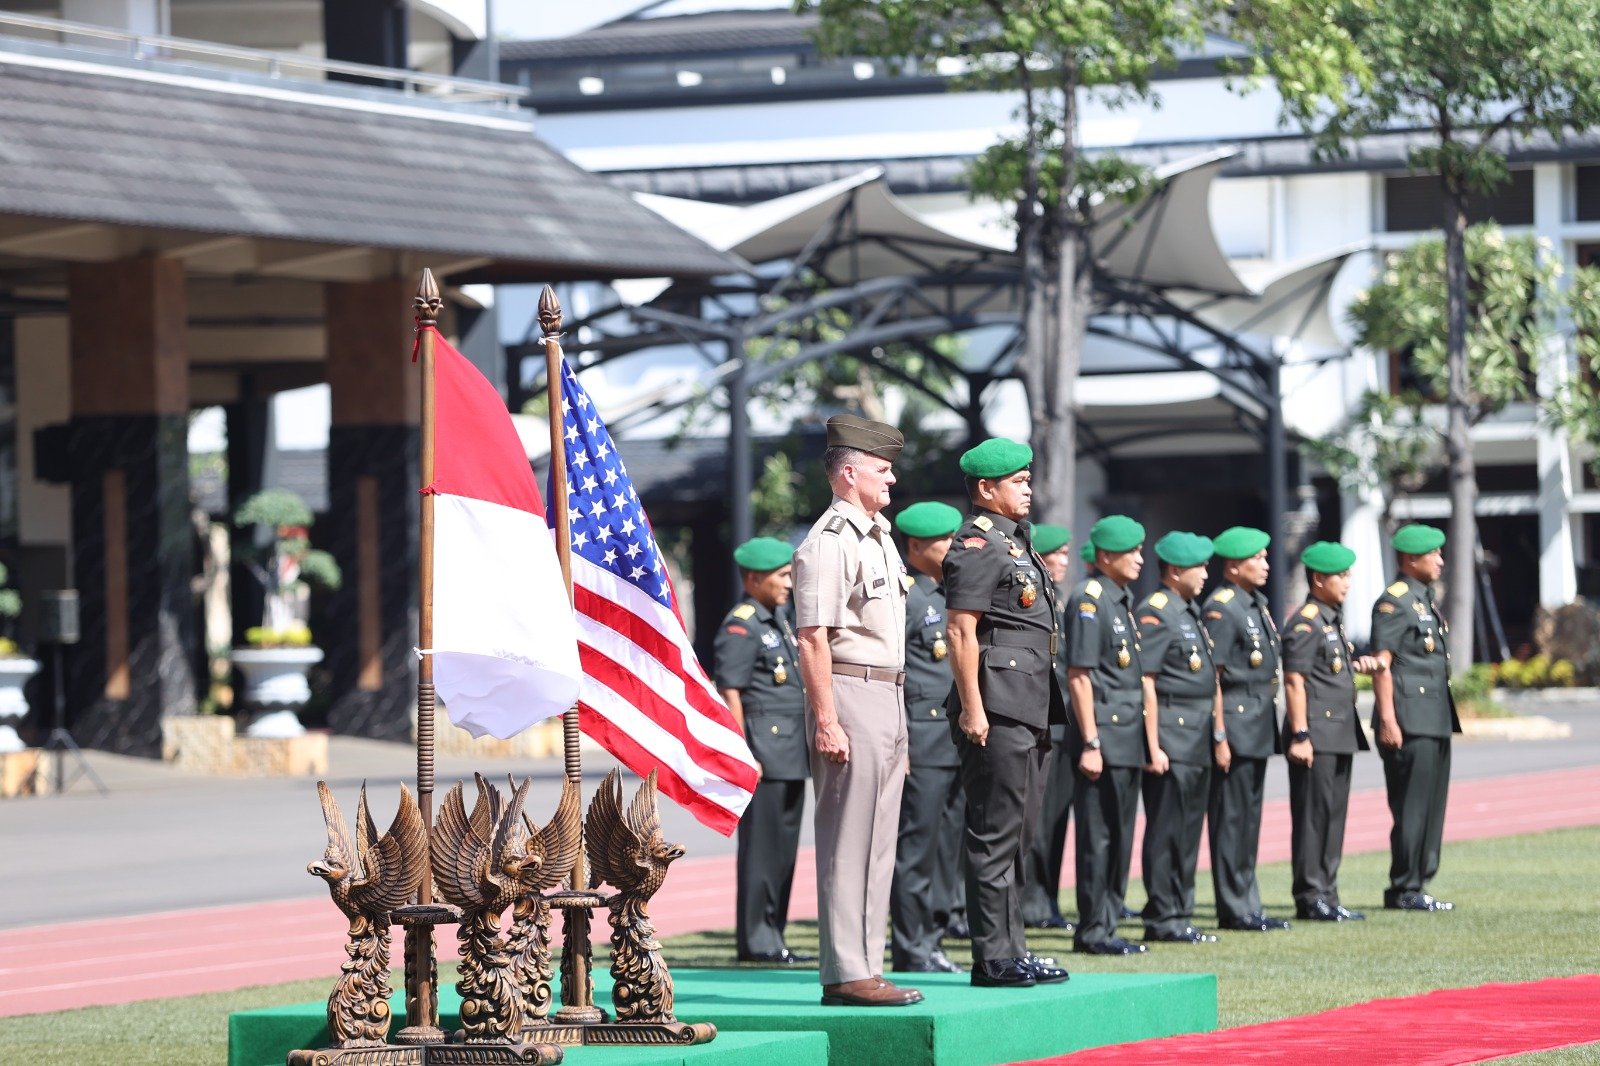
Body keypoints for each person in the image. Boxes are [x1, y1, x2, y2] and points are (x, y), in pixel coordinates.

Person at [792, 413, 922, 1008]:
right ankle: (846, 970)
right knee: (848, 838)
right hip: (849, 691)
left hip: (887, 693)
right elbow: (813, 637)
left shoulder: (878, 535)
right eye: (882, 469)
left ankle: (867, 964)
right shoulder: (829, 542)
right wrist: (826, 719)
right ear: (849, 474)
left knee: (879, 840)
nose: (891, 480)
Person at [943, 438, 1072, 988]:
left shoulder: (1017, 544)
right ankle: (991, 955)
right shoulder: (978, 545)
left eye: (1026, 479)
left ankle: (1013, 948)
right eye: (1017, 481)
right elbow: (960, 629)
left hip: (1028, 706)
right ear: (985, 489)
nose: (1028, 489)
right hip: (996, 707)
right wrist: (973, 708)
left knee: (1019, 835)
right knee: (994, 834)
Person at [715, 536, 816, 965]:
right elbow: (730, 691)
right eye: (781, 576)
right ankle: (757, 940)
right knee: (762, 852)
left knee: (784, 850)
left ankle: (773, 934)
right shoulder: (743, 624)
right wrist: (742, 751)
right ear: (754, 578)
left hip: (790, 751)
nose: (789, 584)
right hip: (763, 751)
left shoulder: (778, 620)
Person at [1137, 531, 1230, 944]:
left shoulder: (1187, 611)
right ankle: (1163, 915)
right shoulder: (1157, 612)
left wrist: (1218, 733)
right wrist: (1153, 744)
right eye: (1199, 567)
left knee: (1189, 831)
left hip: (1196, 739)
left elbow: (1210, 682)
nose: (1206, 574)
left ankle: (1181, 911)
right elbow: (1147, 681)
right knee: (1167, 830)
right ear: (1175, 571)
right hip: (1172, 738)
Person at [1283, 540, 1382, 922]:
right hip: (1317, 735)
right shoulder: (1307, 622)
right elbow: (1294, 682)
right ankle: (1310, 895)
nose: (1347, 582)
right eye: (1341, 576)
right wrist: (1301, 735)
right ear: (1319, 578)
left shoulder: (1328, 618)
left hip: (1338, 731)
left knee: (1333, 816)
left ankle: (1327, 890)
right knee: (1314, 816)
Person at [1068, 515, 1151, 956]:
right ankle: (1094, 930)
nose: (1139, 559)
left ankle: (1110, 922)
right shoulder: (1091, 600)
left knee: (1120, 836)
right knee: (1098, 838)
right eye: (1130, 552)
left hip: (1126, 737)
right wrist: (1091, 742)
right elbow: (1079, 676)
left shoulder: (1119, 600)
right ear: (1104, 557)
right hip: (1104, 739)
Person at [889, 500, 966, 974]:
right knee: (916, 849)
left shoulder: (944, 595)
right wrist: (901, 741)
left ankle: (934, 938)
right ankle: (912, 947)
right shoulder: (906, 599)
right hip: (922, 738)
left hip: (953, 738)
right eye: (944, 541)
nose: (952, 548)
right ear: (916, 547)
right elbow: (894, 673)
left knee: (946, 848)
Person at [1203, 526, 1291, 932]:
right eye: (1257, 558)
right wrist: (1219, 734)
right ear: (1235, 566)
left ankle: (1248, 901)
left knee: (1249, 818)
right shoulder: (1223, 607)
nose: (1266, 565)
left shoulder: (1253, 604)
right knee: (1232, 818)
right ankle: (1234, 906)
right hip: (1236, 726)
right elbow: (1214, 678)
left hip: (1256, 726)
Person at [1371, 523, 1462, 913]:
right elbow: (1382, 666)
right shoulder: (1395, 602)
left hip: (1434, 716)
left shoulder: (1423, 599)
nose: (1441, 560)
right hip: (1409, 718)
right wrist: (1388, 719)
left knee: (1431, 804)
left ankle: (1419, 881)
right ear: (1410, 559)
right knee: (1412, 806)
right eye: (1434, 554)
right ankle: (1404, 886)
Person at [1021, 522, 1076, 931]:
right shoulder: (1033, 599)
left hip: (1057, 722)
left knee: (1054, 819)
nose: (1063, 562)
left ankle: (1047, 899)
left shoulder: (1055, 601)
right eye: (1057, 554)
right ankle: (1032, 904)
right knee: (1033, 820)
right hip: (1035, 718)